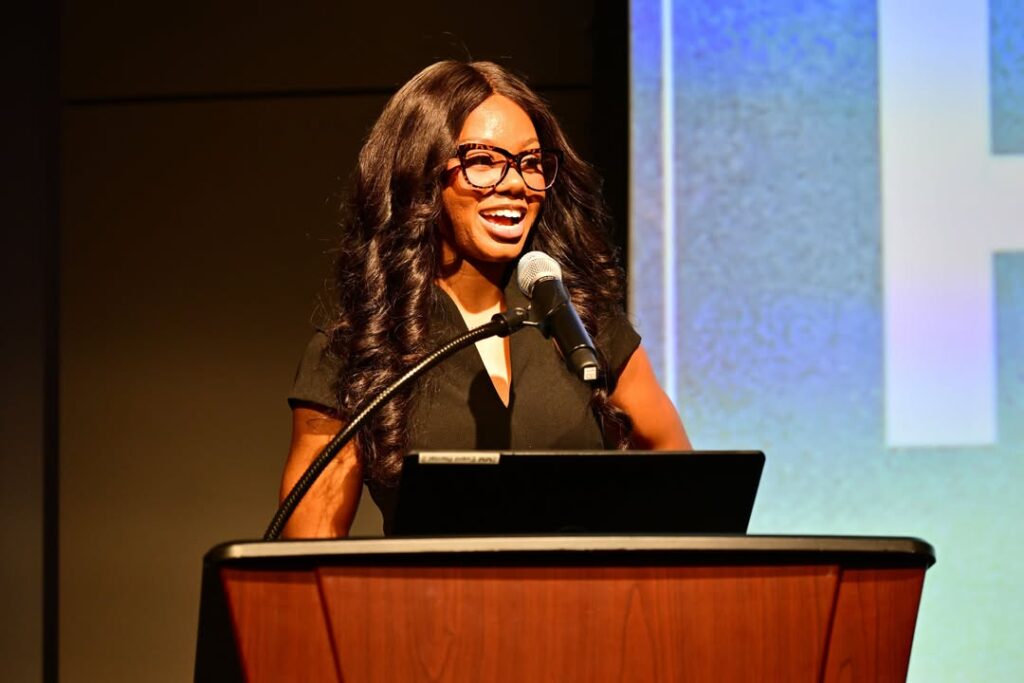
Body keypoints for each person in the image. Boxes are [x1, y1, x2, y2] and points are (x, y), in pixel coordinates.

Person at [280, 60, 690, 537]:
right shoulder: (359, 351)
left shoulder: (581, 322)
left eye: (531, 163)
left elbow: (689, 490)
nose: (515, 183)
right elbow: (306, 553)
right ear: (421, 174)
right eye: (482, 161)